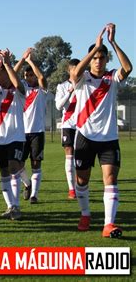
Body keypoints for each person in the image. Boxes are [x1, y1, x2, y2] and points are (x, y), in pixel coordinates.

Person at [70, 23, 132, 238]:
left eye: (101, 58)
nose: (98, 61)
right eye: (95, 58)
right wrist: (95, 47)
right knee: (82, 181)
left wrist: (112, 42)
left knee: (110, 179)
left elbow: (128, 69)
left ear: (106, 60)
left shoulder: (111, 78)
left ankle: (108, 225)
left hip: (109, 138)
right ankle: (85, 214)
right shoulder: (82, 78)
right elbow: (77, 71)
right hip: (84, 137)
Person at [0, 49, 25, 221]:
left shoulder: (18, 90)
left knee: (14, 167)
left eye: (1, 75)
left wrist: (8, 65)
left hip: (16, 137)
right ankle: (10, 205)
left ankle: (16, 206)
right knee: (3, 172)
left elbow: (18, 85)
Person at [14, 48, 47, 204]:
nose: (28, 78)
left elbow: (42, 77)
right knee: (18, 163)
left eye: (30, 75)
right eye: (26, 76)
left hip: (37, 132)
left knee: (35, 163)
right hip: (21, 133)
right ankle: (27, 183)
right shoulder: (22, 89)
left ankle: (34, 195)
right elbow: (12, 75)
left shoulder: (41, 90)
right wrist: (22, 59)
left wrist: (30, 61)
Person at [55, 58, 81, 199]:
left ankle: (80, 186)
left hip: (83, 125)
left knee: (81, 157)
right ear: (69, 70)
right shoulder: (62, 86)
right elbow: (58, 106)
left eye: (79, 69)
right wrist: (70, 92)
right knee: (69, 154)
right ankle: (72, 189)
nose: (76, 71)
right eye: (74, 69)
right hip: (68, 125)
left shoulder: (85, 84)